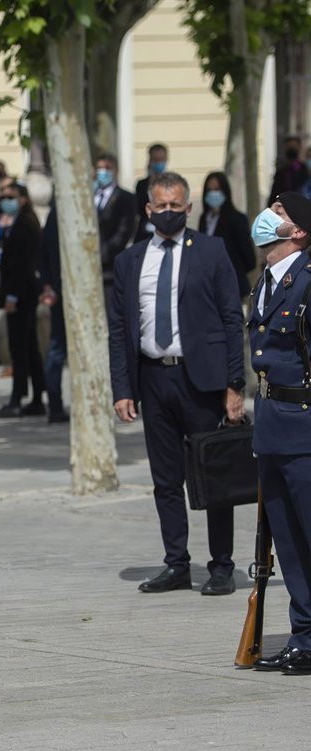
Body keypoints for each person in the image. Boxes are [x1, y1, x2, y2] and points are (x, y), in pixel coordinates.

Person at [108, 171, 244, 595]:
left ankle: (221, 566)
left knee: (213, 474)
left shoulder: (211, 251)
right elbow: (119, 330)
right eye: (161, 206)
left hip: (201, 380)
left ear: (188, 207)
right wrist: (122, 389)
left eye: (176, 205)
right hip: (153, 378)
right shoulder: (130, 261)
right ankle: (176, 564)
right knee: (166, 480)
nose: (168, 212)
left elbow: (231, 319)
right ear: (148, 210)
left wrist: (235, 385)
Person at [246, 192, 311, 674]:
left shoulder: (307, 281)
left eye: (280, 213)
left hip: (304, 427)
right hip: (270, 425)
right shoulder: (265, 282)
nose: (268, 218)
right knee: (288, 542)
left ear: (299, 231)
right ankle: (304, 637)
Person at [0, 181, 46, 418]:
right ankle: (36, 396)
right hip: (12, 288)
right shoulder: (6, 222)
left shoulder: (25, 224)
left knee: (20, 347)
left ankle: (18, 398)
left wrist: (12, 296)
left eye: (11, 197)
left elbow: (22, 263)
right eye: (3, 197)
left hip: (22, 293)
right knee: (28, 345)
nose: (6, 201)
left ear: (23, 199)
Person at [198, 171, 255, 298]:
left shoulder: (237, 219)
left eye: (217, 189)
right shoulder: (204, 219)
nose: (213, 194)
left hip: (232, 287)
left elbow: (249, 259)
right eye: (209, 190)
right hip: (209, 287)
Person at [93, 153, 138, 310]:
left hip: (110, 268)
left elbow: (124, 231)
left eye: (107, 168)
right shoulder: (89, 196)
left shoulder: (126, 197)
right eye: (99, 168)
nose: (103, 172)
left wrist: (103, 253)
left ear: (116, 171)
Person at [39, 200, 68, 422]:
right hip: (64, 290)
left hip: (59, 288)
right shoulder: (60, 211)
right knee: (57, 348)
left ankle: (55, 404)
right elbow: (45, 250)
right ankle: (55, 404)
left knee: (56, 349)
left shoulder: (55, 212)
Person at [134, 143, 169, 242]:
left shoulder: (172, 184)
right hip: (145, 233)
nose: (158, 163)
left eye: (161, 160)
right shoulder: (142, 184)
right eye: (155, 160)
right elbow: (139, 209)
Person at [268, 136, 308, 206]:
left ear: (299, 148)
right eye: (289, 147)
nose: (291, 149)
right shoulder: (281, 172)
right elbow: (274, 193)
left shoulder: (305, 170)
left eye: (294, 146)